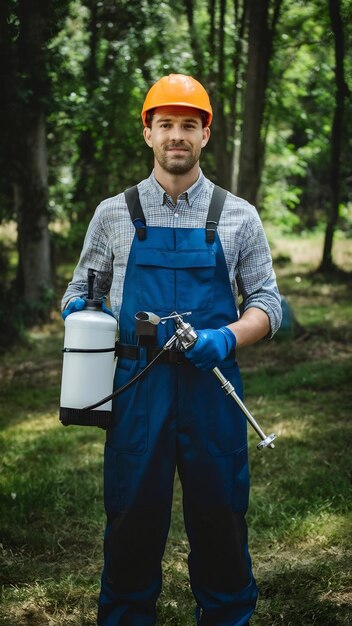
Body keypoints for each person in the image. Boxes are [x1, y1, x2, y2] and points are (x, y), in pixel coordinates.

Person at [62, 73, 282, 626]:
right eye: (166, 125)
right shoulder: (114, 213)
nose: (177, 136)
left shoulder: (239, 215)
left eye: (189, 125)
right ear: (148, 133)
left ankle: (229, 615)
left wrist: (227, 336)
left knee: (221, 522)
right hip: (138, 395)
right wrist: (84, 318)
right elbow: (76, 293)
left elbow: (268, 304)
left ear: (206, 134)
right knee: (132, 521)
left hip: (213, 391)